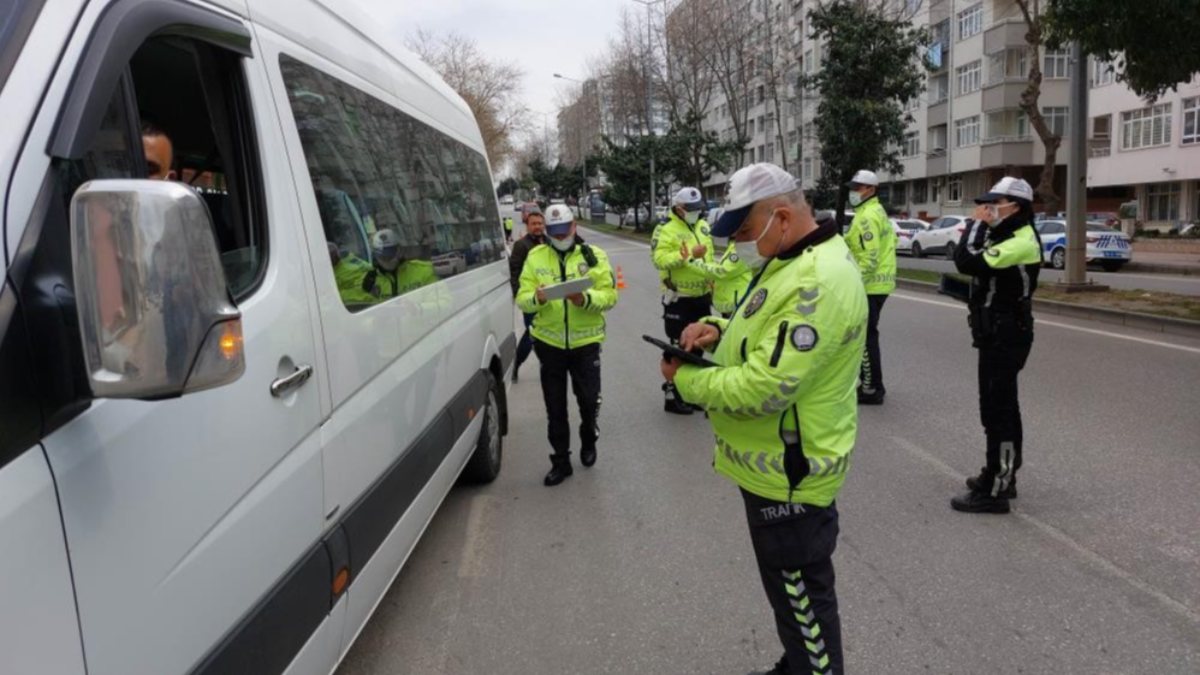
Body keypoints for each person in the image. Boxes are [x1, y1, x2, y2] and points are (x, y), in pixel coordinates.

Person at [661, 163, 866, 675]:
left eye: (748, 231)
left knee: (803, 599)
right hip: (774, 468)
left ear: (779, 215)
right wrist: (714, 328)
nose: (746, 243)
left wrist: (683, 380)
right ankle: (797, 660)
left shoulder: (816, 279)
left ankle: (811, 666)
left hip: (791, 476)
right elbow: (760, 326)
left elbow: (767, 386)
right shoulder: (792, 259)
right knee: (791, 599)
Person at [950, 177, 1042, 514]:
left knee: (999, 411)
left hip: (1007, 334)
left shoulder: (1020, 241)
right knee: (997, 407)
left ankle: (997, 491)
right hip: (996, 332)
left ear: (1015, 206)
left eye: (995, 202)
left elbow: (967, 261)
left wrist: (976, 224)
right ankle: (1001, 472)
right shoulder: (1007, 234)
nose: (988, 208)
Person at [516, 204, 618, 486]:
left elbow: (610, 296)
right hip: (549, 344)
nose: (561, 238)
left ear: (575, 226)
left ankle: (589, 438)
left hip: (586, 343)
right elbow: (522, 298)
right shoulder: (535, 257)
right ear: (547, 232)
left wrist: (584, 299)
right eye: (554, 233)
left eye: (565, 231)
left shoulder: (594, 256)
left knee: (588, 401)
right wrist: (537, 298)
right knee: (555, 407)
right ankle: (561, 461)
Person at [651, 186, 715, 414]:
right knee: (679, 346)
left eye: (699, 209)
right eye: (691, 209)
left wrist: (711, 279)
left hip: (702, 296)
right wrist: (685, 256)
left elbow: (709, 255)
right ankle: (672, 394)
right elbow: (658, 259)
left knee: (698, 346)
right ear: (679, 209)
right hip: (679, 298)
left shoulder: (703, 226)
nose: (696, 213)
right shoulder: (665, 229)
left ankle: (690, 392)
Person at [843, 169, 896, 405]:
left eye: (858, 188)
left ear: (871, 190)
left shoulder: (866, 216)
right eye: (853, 187)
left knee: (865, 338)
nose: (853, 192)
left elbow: (870, 257)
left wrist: (854, 284)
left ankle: (872, 388)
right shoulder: (875, 211)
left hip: (870, 286)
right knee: (868, 335)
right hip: (879, 284)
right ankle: (873, 385)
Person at [686, 208, 754, 319]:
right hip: (732, 305)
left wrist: (692, 262)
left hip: (737, 306)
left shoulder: (742, 248)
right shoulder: (736, 244)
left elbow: (723, 271)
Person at [508, 208, 546, 382]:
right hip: (531, 297)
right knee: (532, 333)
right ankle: (516, 364)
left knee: (546, 331)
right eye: (534, 224)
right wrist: (518, 295)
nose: (537, 227)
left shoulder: (548, 242)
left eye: (540, 223)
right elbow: (514, 272)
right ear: (527, 225)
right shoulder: (521, 245)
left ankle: (549, 364)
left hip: (548, 296)